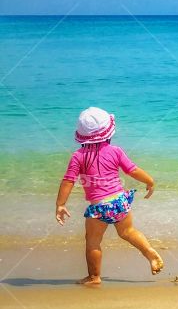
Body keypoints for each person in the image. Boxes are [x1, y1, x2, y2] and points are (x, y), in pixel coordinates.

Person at [55, 107, 163, 286]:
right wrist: (150, 182)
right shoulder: (116, 151)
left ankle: (94, 277)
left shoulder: (78, 156)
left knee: (93, 242)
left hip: (99, 208)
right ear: (108, 132)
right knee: (128, 232)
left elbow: (68, 181)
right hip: (120, 202)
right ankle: (149, 252)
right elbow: (132, 170)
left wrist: (60, 204)